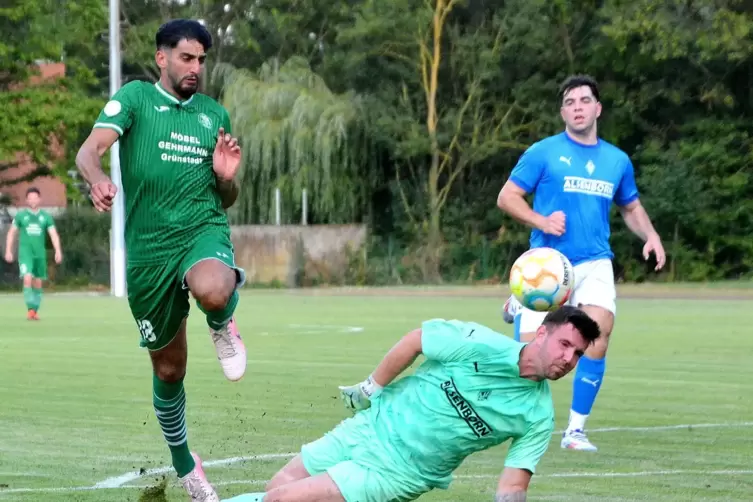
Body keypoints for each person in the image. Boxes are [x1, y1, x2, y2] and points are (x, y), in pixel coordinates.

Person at [75, 19, 247, 502]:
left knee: (214, 286)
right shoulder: (134, 100)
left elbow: (227, 197)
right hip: (149, 252)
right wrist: (96, 180)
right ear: (162, 58)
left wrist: (226, 176)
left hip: (201, 230)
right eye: (187, 59)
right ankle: (186, 466)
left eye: (201, 61)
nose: (195, 69)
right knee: (169, 371)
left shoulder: (215, 115)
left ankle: (223, 322)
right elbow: (89, 151)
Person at [221, 306, 601, 502]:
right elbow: (417, 340)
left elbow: (513, 483)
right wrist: (371, 387)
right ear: (541, 334)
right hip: (370, 428)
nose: (569, 360)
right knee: (280, 484)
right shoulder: (481, 343)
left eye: (578, 354)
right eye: (565, 345)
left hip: (399, 473)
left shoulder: (537, 416)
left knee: (282, 500)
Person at [497, 74, 666, 452]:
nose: (577, 107)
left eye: (584, 100)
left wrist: (651, 236)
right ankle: (518, 302)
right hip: (548, 264)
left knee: (599, 333)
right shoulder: (543, 152)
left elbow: (631, 206)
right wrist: (541, 221)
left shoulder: (617, 160)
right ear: (563, 111)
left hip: (595, 261)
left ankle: (575, 430)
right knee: (531, 357)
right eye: (570, 102)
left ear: (597, 108)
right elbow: (507, 197)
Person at [3, 187, 63, 320]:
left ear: (39, 199)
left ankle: (34, 310)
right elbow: (12, 233)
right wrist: (8, 250)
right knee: (27, 278)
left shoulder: (45, 217)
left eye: (35, 197)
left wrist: (58, 250)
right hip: (26, 254)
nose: (33, 200)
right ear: (27, 200)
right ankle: (30, 309)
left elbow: (53, 234)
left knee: (38, 283)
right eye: (30, 198)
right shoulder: (21, 216)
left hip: (40, 254)